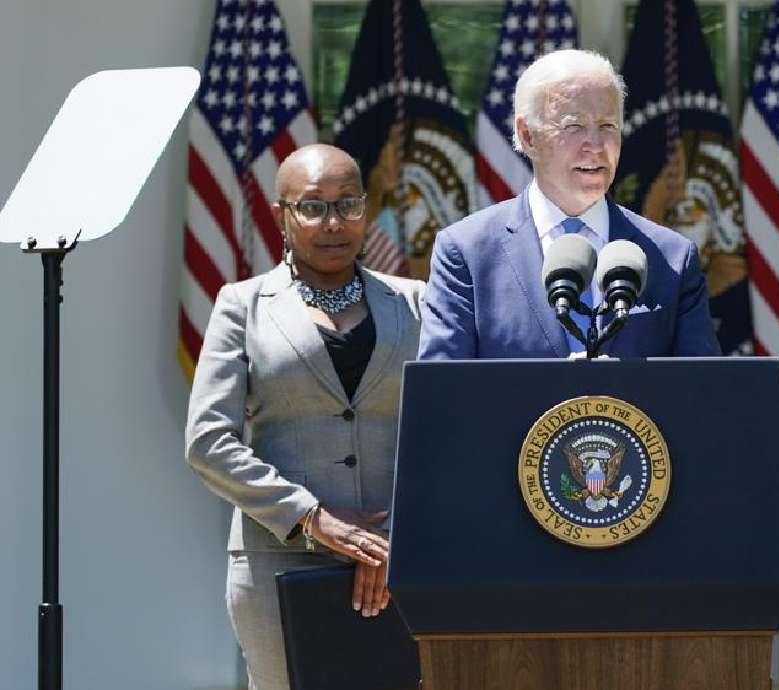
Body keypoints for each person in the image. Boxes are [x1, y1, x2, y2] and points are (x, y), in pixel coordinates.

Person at [185, 144, 424, 690]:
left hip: (400, 562)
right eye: (312, 207)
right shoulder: (241, 306)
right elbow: (207, 441)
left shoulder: (415, 302)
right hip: (279, 562)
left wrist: (392, 537)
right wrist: (316, 519)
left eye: (349, 204)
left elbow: (446, 432)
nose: (333, 222)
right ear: (281, 217)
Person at [417, 49, 720, 359]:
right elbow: (443, 394)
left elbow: (703, 392)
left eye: (608, 127)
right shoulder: (467, 252)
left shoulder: (672, 257)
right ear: (528, 136)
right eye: (574, 127)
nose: (597, 146)